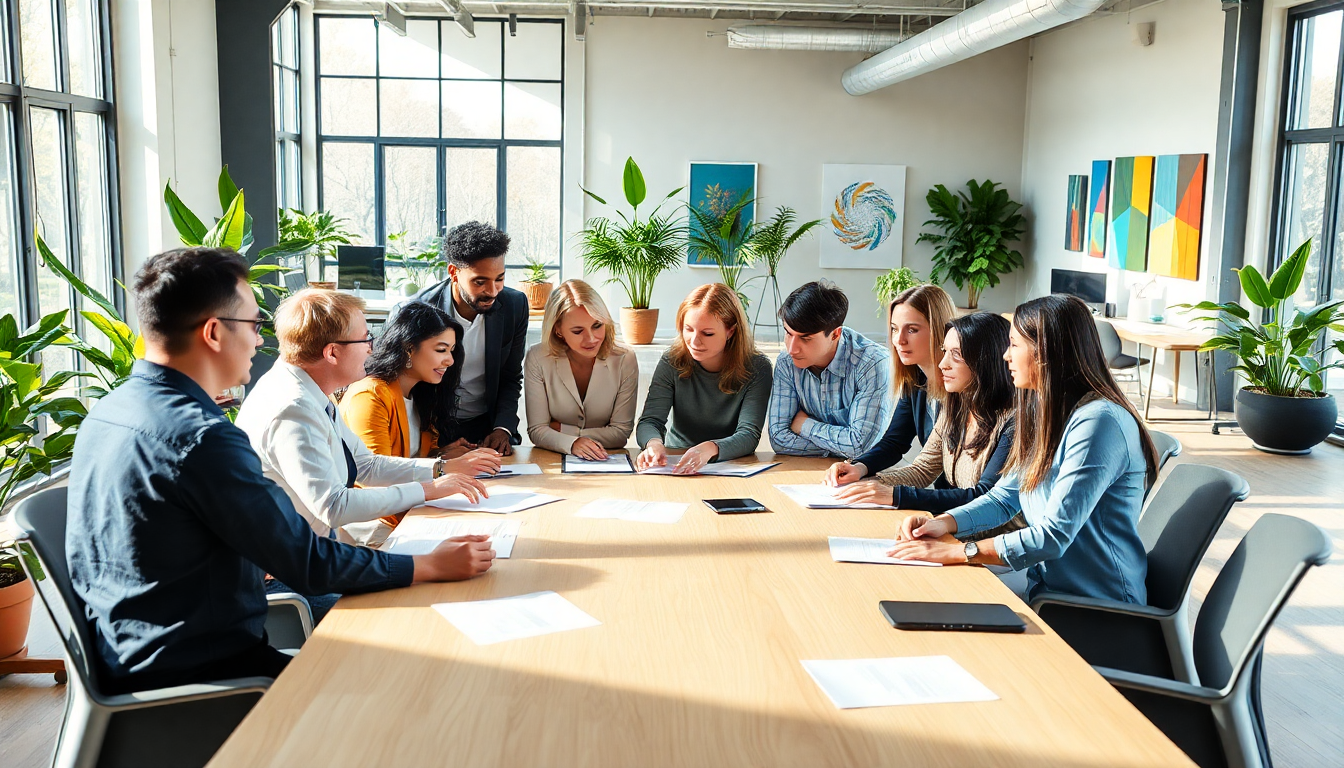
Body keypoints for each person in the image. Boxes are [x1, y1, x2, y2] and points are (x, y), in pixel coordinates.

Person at [66, 247, 495, 695]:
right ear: (214, 332)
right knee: (413, 657)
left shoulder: (109, 411)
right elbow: (307, 560)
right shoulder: (203, 437)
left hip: (134, 648)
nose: (260, 340)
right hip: (203, 670)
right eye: (253, 325)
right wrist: (425, 564)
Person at [888, 295, 1157, 604]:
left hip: (1095, 607)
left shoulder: (1099, 423)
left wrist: (962, 551)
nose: (1005, 356)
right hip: (1045, 591)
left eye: (1014, 345)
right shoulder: (1043, 411)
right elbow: (1004, 499)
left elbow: (1053, 535)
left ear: (1044, 352)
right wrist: (941, 523)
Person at [236, 289, 499, 585]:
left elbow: (366, 465)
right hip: (298, 574)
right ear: (332, 352)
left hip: (324, 555)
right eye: (364, 340)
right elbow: (334, 507)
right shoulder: (292, 409)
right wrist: (429, 489)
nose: (371, 349)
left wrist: (441, 471)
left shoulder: (308, 393)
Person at [833, 312, 1016, 514]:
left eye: (955, 354)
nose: (942, 364)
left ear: (986, 360)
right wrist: (863, 479)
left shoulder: (1013, 422)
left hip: (990, 540)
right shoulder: (955, 408)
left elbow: (983, 496)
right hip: (953, 527)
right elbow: (922, 470)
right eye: (944, 351)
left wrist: (894, 495)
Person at [401, 221, 529, 456]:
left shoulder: (515, 306)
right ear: (453, 272)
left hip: (487, 426)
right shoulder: (417, 312)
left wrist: (502, 428)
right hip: (431, 426)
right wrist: (431, 446)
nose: (492, 291)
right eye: (480, 282)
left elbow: (511, 376)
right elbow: (403, 384)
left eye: (499, 278)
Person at [340, 301, 498, 471]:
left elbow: (411, 460)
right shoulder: (370, 396)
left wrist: (441, 454)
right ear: (409, 349)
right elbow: (376, 475)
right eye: (441, 350)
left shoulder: (421, 395)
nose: (450, 360)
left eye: (451, 350)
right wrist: (444, 467)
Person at [825, 284, 956, 488]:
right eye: (895, 329)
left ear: (940, 330)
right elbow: (894, 443)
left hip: (956, 506)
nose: (899, 340)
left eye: (912, 330)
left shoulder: (961, 391)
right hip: (940, 504)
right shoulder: (916, 382)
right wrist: (859, 467)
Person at [635, 283, 773, 474]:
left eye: (707, 333)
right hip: (676, 461)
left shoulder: (758, 368)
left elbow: (749, 435)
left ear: (730, 331)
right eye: (688, 329)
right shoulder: (671, 361)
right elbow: (650, 421)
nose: (694, 341)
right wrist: (653, 444)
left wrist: (709, 448)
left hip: (731, 465)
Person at [767, 280, 891, 458]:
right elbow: (779, 439)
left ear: (835, 334)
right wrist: (840, 447)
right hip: (808, 472)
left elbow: (860, 446)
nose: (792, 348)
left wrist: (804, 425)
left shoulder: (872, 364)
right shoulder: (787, 362)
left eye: (806, 338)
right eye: (788, 333)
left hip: (866, 475)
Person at [524, 279, 639, 458]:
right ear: (558, 330)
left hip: (606, 459)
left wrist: (563, 431)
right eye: (578, 331)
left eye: (597, 325)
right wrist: (573, 444)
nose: (591, 339)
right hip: (552, 459)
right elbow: (537, 431)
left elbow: (621, 433)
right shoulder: (537, 358)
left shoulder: (625, 358)